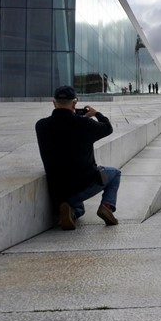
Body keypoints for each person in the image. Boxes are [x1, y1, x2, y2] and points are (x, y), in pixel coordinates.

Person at [35, 86, 121, 230]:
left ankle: (71, 212)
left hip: (58, 190)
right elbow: (107, 128)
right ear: (74, 104)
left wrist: (79, 120)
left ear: (54, 103)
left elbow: (64, 131)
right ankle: (107, 206)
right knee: (115, 173)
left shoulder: (41, 125)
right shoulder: (85, 124)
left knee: (78, 208)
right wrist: (96, 114)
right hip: (82, 184)